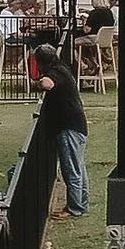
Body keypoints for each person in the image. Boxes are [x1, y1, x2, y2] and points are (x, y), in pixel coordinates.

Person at [32, 32, 90, 218]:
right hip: (76, 124)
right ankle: (81, 203)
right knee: (79, 166)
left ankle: (75, 208)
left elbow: (47, 84)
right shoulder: (62, 68)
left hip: (68, 127)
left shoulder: (55, 72)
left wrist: (38, 83)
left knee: (71, 168)